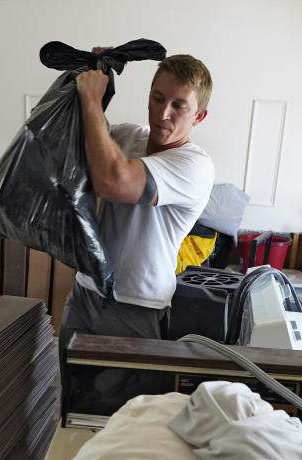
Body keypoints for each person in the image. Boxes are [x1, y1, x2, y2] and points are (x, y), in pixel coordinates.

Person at [59, 51, 215, 353]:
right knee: (72, 392)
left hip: (137, 306)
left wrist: (91, 99)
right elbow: (77, 136)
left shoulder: (194, 165)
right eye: (157, 98)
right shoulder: (128, 136)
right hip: (86, 290)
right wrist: (96, 70)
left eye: (178, 106)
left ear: (199, 116)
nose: (163, 113)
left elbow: (112, 181)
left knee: (126, 401)